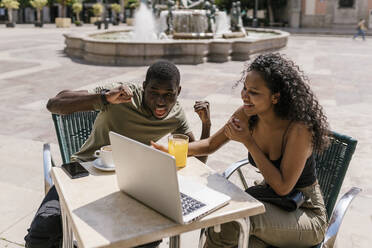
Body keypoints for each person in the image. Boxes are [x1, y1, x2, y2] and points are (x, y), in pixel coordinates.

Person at [24, 61, 211, 248]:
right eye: (154, 92)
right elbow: (54, 104)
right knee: (43, 229)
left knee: (148, 236)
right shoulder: (122, 94)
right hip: (83, 171)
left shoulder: (176, 114)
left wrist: (206, 125)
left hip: (130, 182)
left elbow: (196, 161)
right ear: (144, 87)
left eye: (168, 94)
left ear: (178, 91)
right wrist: (105, 98)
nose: (161, 102)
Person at [153, 53, 330, 247]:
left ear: (275, 97)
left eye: (254, 92)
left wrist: (248, 142)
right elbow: (211, 144)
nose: (245, 95)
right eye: (245, 88)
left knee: (235, 221)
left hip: (305, 212)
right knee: (222, 219)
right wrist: (169, 150)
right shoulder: (247, 113)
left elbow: (283, 187)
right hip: (272, 201)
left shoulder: (298, 129)